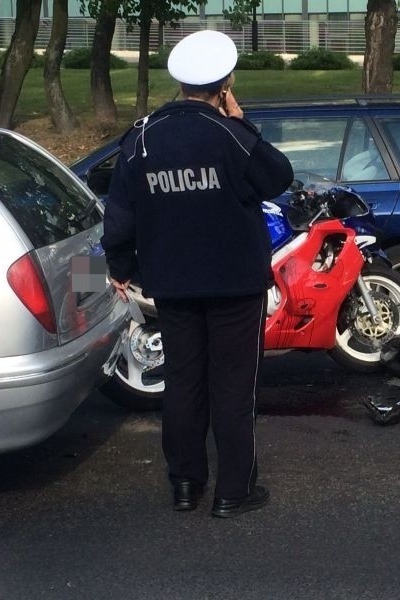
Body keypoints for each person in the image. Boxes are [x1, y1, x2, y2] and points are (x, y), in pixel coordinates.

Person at [101, 30, 293, 516]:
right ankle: (234, 492)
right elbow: (278, 177)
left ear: (181, 84)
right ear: (224, 84)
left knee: (183, 382)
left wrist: (120, 265)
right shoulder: (231, 133)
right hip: (234, 283)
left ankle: (185, 484)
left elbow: (119, 213)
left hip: (172, 282)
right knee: (233, 385)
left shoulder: (142, 137)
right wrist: (244, 123)